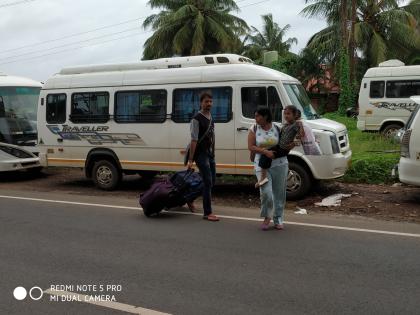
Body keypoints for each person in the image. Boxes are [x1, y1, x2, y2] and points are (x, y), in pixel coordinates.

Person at [248, 106, 298, 231]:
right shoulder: (254, 128)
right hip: (261, 164)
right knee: (266, 193)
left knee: (279, 194)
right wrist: (264, 152)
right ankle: (266, 216)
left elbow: (284, 145)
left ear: (265, 116)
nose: (255, 119)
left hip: (280, 164)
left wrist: (291, 146)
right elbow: (251, 146)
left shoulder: (277, 127)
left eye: (257, 116)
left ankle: (278, 218)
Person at [186, 91, 220, 222]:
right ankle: (208, 213)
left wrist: (213, 152)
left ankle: (189, 197)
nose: (209, 104)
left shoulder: (211, 116)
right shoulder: (196, 119)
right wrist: (190, 160)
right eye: (206, 101)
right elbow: (194, 140)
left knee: (212, 182)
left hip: (210, 154)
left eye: (211, 101)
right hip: (200, 155)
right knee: (207, 182)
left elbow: (212, 136)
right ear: (201, 103)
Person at [255, 106, 303, 188]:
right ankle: (286, 173)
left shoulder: (296, 124)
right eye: (285, 114)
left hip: (283, 149)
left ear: (295, 115)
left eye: (288, 114)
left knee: (266, 154)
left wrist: (294, 143)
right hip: (279, 147)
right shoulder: (286, 125)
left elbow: (301, 136)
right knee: (266, 153)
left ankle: (263, 178)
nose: (286, 116)